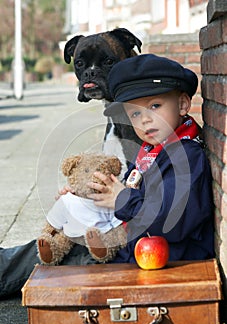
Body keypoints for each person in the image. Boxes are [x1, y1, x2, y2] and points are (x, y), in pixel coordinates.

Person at [0, 54, 214, 298]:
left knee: (49, 257)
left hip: (152, 258)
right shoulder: (153, 151)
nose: (145, 119)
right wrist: (90, 197)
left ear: (183, 104)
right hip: (124, 244)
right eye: (135, 114)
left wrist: (122, 199)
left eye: (155, 106)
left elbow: (172, 222)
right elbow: (137, 197)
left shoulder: (186, 157)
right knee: (48, 244)